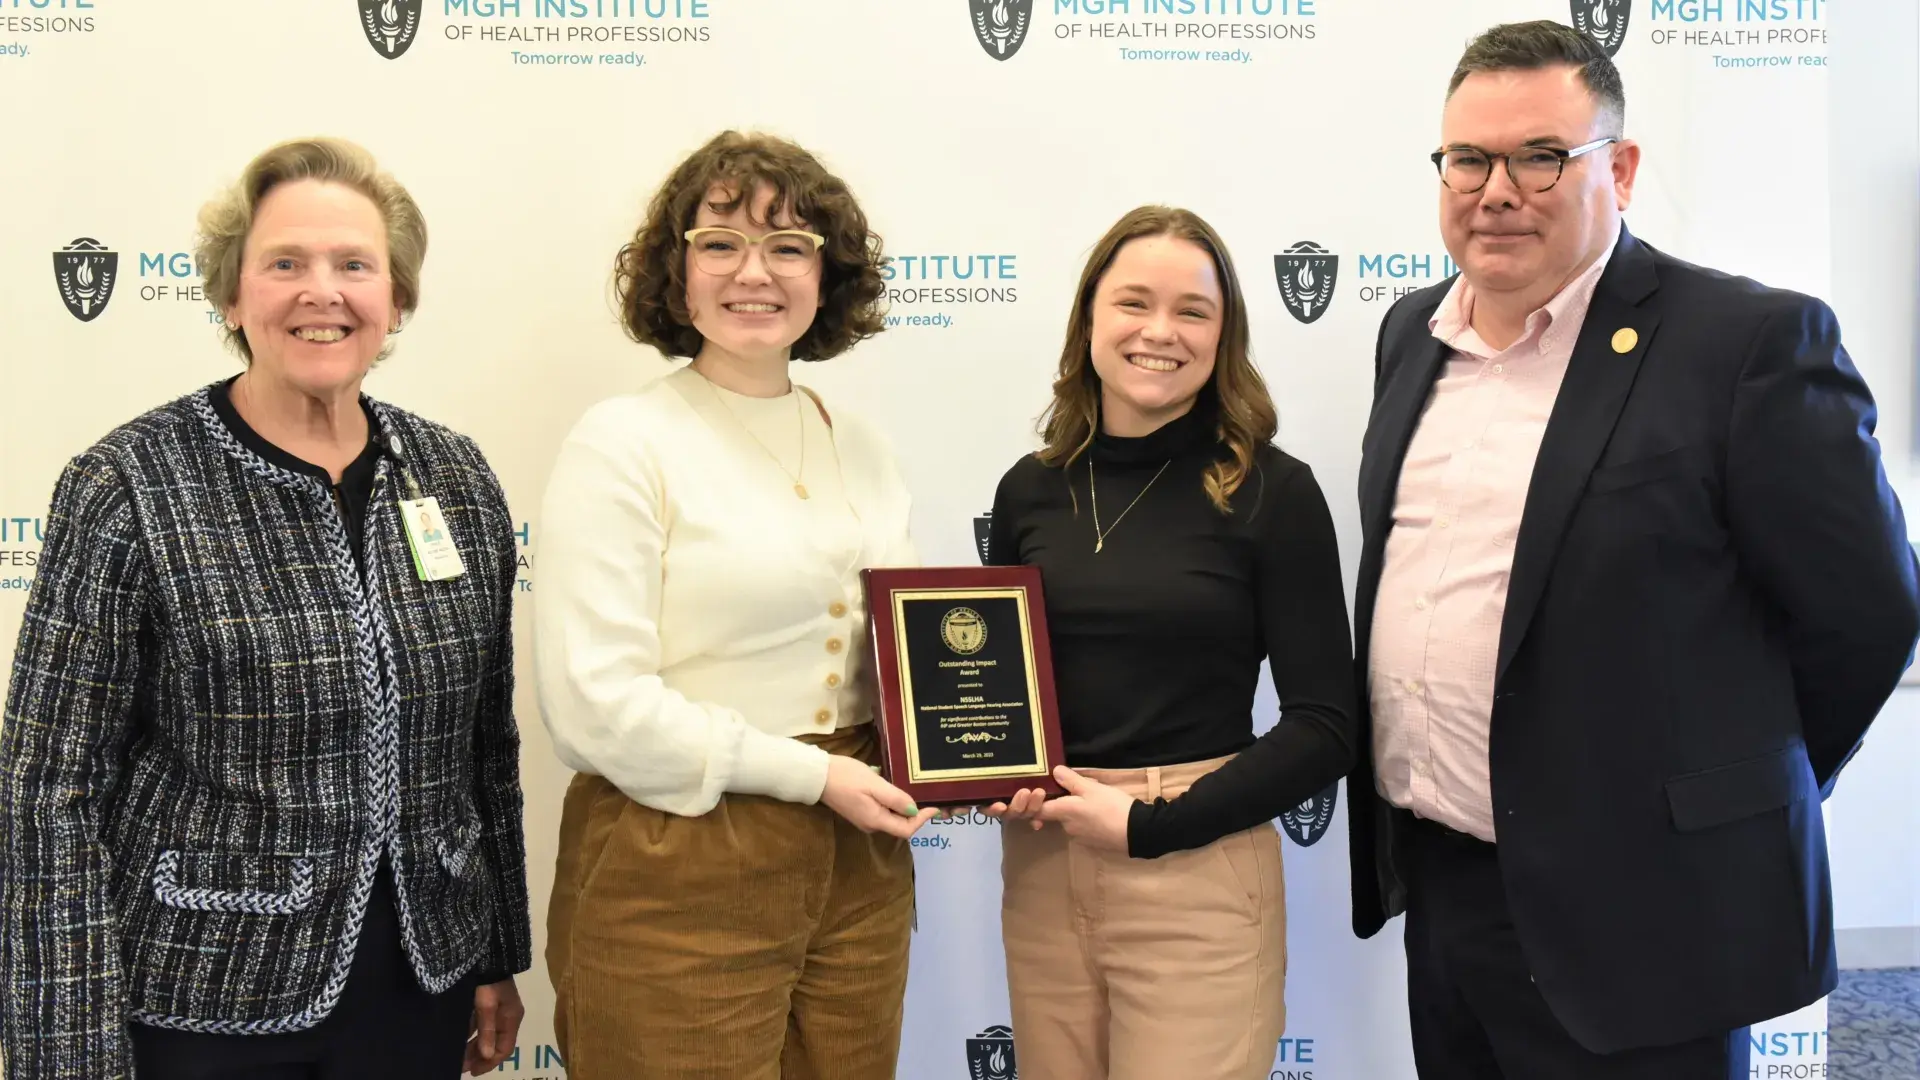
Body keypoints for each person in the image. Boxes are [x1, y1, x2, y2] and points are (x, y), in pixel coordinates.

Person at [1348, 21, 1920, 1080]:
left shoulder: (1745, 345)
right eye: (1468, 159)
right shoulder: (1411, 333)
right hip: (1449, 890)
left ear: (1620, 168)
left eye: (1540, 156)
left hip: (1649, 914)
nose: (1496, 189)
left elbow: (1869, 614)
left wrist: (1733, 791)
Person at [0, 136, 531, 1080]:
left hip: (417, 986)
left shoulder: (454, 475)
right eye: (284, 264)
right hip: (201, 995)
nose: (320, 292)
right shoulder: (130, 483)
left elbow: (483, 745)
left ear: (395, 298)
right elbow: (48, 788)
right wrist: (65, 1048)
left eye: (354, 266)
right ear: (231, 295)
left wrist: (496, 951)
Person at [535, 130, 937, 1080]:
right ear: (675, 274)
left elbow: (904, 660)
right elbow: (595, 707)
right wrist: (814, 777)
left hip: (861, 857)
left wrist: (967, 749)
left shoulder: (865, 446)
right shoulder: (624, 441)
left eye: (789, 246)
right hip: (678, 852)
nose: (753, 272)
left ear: (826, 276)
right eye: (719, 243)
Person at [983, 205, 1357, 1080]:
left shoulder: (1272, 490)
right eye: (1133, 303)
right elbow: (1006, 691)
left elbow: (1326, 727)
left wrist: (1157, 826)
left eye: (1193, 311)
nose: (1160, 331)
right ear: (1088, 319)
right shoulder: (1029, 489)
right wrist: (994, 772)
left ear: (1225, 336)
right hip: (1044, 863)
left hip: (1197, 867)